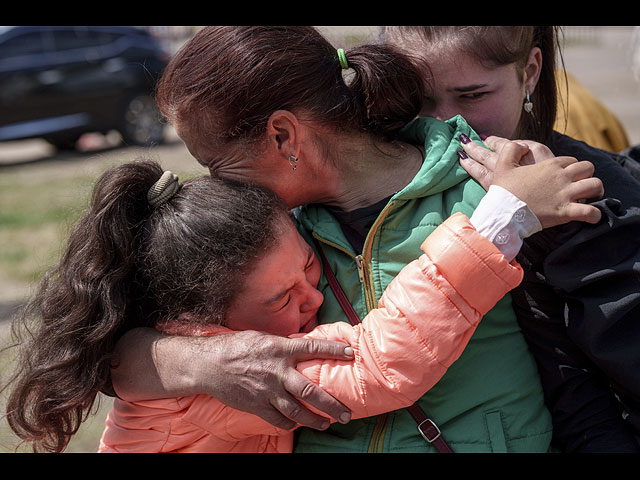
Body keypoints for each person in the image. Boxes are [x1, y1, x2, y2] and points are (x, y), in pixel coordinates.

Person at [108, 26, 604, 453]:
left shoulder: (496, 190)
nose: (216, 186)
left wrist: (506, 210)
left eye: (217, 164)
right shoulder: (262, 238)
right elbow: (111, 357)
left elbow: (585, 362)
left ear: (283, 136)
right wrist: (204, 361)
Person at [9, 152, 553, 453]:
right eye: (283, 296)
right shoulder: (226, 372)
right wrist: (495, 225)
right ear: (199, 323)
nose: (312, 296)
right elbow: (377, 365)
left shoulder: (178, 350)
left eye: (309, 264)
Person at [382, 25, 640, 452]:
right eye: (419, 101)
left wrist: (572, 238)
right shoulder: (362, 195)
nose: (447, 122)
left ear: (532, 72)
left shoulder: (606, 196)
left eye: (472, 96)